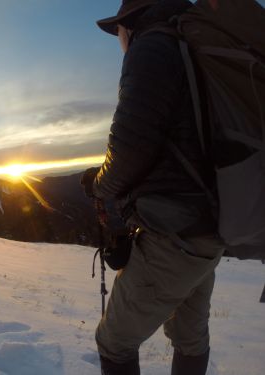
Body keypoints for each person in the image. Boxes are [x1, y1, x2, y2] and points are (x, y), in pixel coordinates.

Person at [83, 1, 227, 374]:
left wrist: (99, 186)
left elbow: (130, 146)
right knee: (190, 336)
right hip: (211, 225)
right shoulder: (192, 46)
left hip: (173, 231)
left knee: (113, 342)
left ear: (130, 24)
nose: (119, 40)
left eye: (118, 32)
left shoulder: (153, 46)